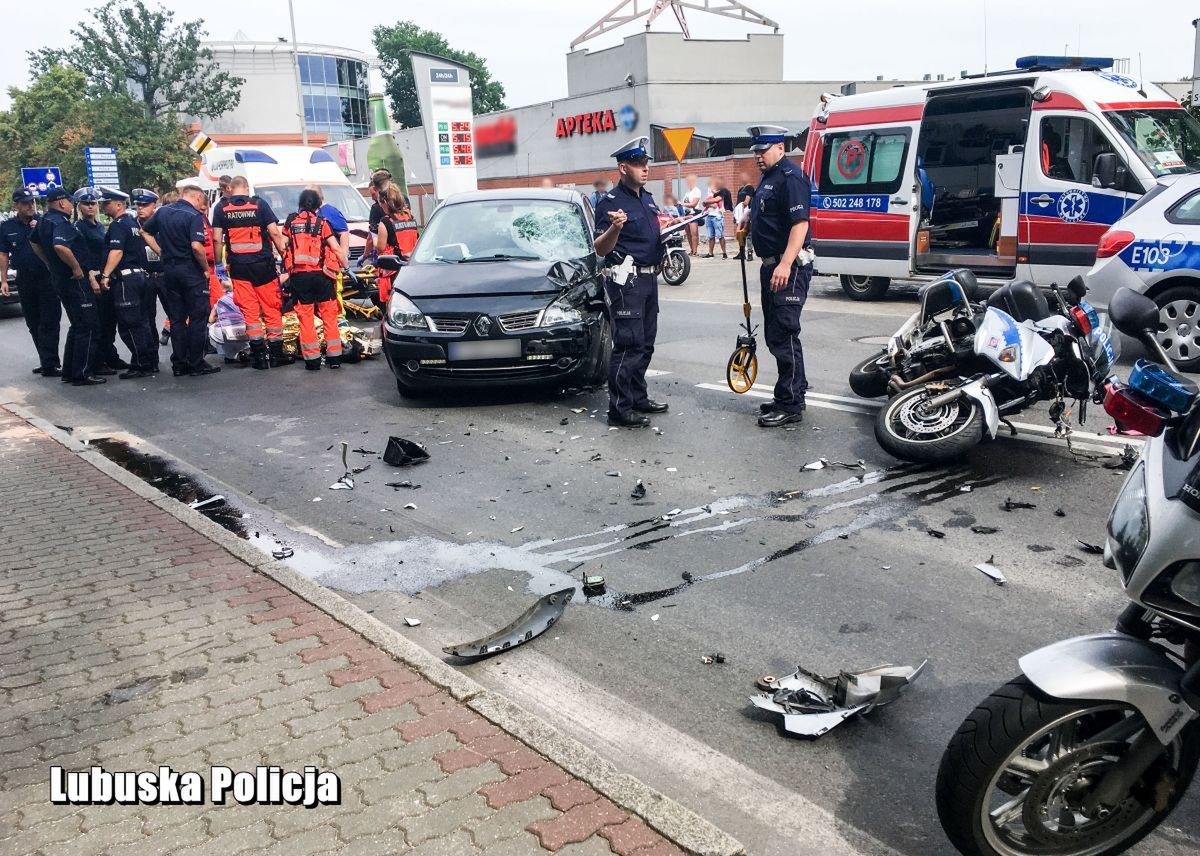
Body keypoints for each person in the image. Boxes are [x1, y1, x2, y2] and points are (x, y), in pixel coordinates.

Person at [593, 136, 669, 428]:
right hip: (627, 282)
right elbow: (601, 248)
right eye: (638, 164)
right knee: (628, 344)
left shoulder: (647, 199)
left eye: (646, 163)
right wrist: (615, 228)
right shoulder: (611, 203)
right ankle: (620, 409)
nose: (645, 168)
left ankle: (638, 396)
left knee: (646, 344)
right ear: (623, 168)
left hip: (650, 278)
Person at [748, 125, 813, 428]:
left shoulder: (791, 177)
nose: (758, 156)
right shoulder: (768, 177)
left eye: (763, 150)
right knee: (776, 334)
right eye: (756, 151)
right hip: (770, 265)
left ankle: (789, 404)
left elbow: (799, 225)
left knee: (785, 332)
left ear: (780, 148)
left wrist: (785, 264)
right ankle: (792, 392)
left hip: (789, 266)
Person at [211, 175, 288, 369]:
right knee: (271, 308)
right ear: (246, 188)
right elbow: (275, 233)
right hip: (263, 266)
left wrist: (218, 264)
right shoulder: (259, 205)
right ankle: (276, 355)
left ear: (231, 188)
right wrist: (285, 258)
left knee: (250, 312)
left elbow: (217, 239)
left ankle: (259, 357)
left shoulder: (222, 208)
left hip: (239, 268)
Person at [142, 185, 219, 377]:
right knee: (197, 317)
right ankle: (196, 363)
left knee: (177, 319)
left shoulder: (163, 212)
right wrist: (205, 269)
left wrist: (161, 252)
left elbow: (145, 232)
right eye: (203, 201)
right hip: (190, 270)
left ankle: (179, 363)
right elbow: (196, 247)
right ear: (198, 197)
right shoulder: (193, 216)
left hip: (169, 271)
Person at [30, 188, 104, 385]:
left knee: (78, 325)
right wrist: (76, 267)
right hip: (74, 281)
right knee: (88, 326)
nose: (72, 206)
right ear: (62, 203)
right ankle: (82, 373)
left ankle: (70, 371)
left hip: (60, 279)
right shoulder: (60, 222)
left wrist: (49, 263)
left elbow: (34, 242)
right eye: (71, 202)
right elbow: (60, 246)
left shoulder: (45, 220)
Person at [282, 188, 348, 370]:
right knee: (329, 315)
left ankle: (312, 360)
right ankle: (334, 358)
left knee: (306, 318)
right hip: (322, 277)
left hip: (299, 278)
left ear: (300, 204)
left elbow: (282, 244)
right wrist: (346, 267)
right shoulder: (323, 223)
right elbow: (335, 248)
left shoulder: (291, 222)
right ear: (318, 205)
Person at [99, 187, 159, 378]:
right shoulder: (133, 223)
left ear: (118, 205)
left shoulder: (118, 225)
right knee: (143, 322)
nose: (103, 206)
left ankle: (142, 364)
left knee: (129, 325)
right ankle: (149, 360)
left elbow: (117, 251)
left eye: (106, 203)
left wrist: (106, 274)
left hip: (125, 280)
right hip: (139, 277)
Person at [0, 189, 59, 376]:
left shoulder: (43, 222)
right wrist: (3, 280)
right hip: (25, 278)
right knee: (33, 322)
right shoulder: (7, 227)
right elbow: (3, 254)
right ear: (16, 205)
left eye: (32, 202)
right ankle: (45, 360)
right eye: (25, 203)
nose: (30, 206)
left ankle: (51, 362)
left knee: (50, 320)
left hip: (46, 277)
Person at [73, 187, 126, 374]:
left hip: (104, 276)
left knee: (110, 320)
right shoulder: (79, 228)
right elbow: (81, 257)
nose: (90, 207)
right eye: (86, 203)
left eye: (93, 203)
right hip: (92, 277)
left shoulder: (99, 226)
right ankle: (98, 361)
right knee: (99, 322)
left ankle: (110, 356)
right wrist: (92, 279)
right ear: (78, 205)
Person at [134, 189, 165, 356]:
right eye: (138, 205)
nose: (140, 208)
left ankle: (182, 355)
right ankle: (152, 355)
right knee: (147, 318)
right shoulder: (132, 226)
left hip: (163, 275)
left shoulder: (162, 223)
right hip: (144, 277)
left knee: (175, 315)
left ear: (154, 205)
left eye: (145, 205)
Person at [374, 185, 417, 305]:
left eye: (380, 203)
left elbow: (381, 249)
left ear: (385, 202)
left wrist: (374, 242)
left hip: (394, 269)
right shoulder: (410, 218)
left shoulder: (385, 222)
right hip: (411, 266)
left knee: (393, 305)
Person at [208, 284, 249, 364]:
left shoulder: (220, 301)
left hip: (224, 332)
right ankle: (245, 352)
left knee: (213, 327)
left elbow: (210, 319)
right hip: (242, 330)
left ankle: (229, 356)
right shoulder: (242, 298)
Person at [363, 169, 391, 263]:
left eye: (373, 194)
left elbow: (378, 246)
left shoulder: (378, 212)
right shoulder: (406, 207)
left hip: (389, 258)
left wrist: (365, 256)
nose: (372, 198)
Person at [701, 177, 731, 259]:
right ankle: (710, 253)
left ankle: (724, 253)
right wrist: (707, 204)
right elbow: (704, 204)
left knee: (720, 235)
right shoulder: (710, 193)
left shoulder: (721, 192)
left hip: (717, 216)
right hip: (709, 216)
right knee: (711, 236)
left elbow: (714, 205)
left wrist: (707, 203)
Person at [735, 173, 756, 261]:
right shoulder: (740, 189)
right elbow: (738, 202)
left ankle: (750, 252)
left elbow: (747, 201)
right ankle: (741, 252)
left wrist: (743, 207)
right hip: (739, 214)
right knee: (740, 233)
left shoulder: (749, 188)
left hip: (746, 213)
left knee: (748, 234)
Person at [680, 175, 702, 255]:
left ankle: (695, 251)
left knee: (694, 233)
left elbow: (693, 204)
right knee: (688, 233)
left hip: (693, 214)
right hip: (686, 214)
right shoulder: (687, 193)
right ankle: (692, 250)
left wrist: (682, 203)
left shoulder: (697, 191)